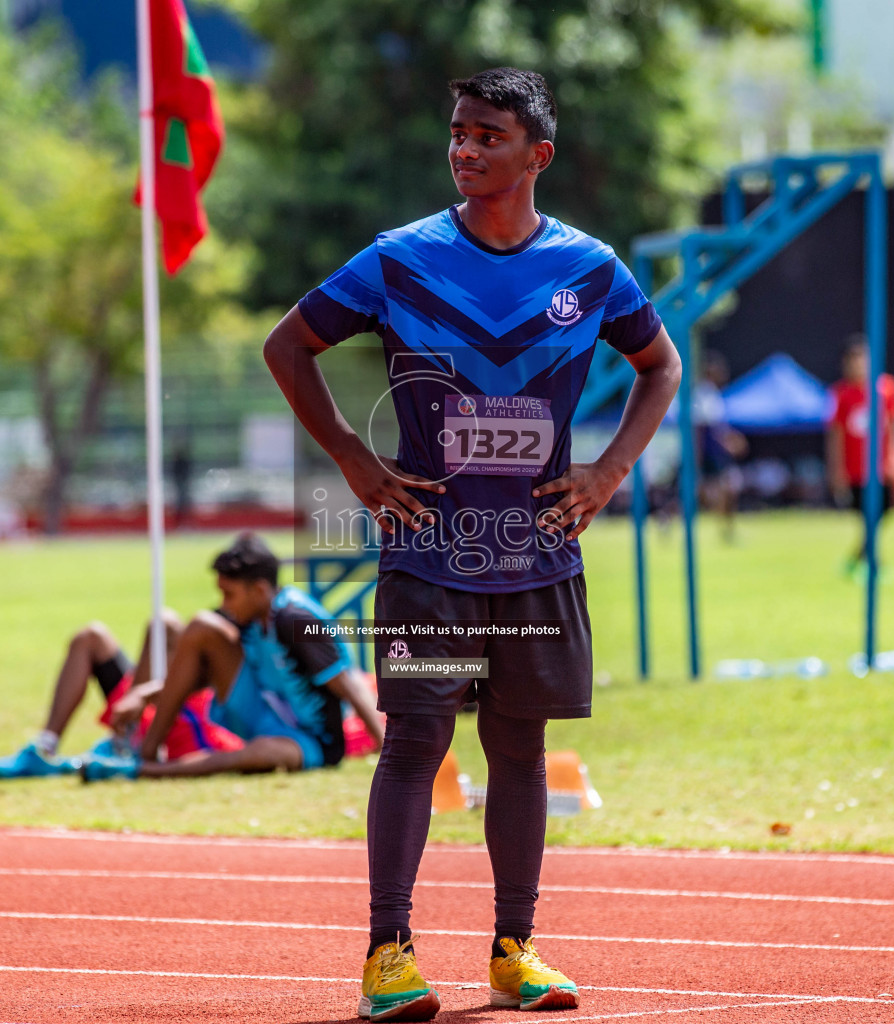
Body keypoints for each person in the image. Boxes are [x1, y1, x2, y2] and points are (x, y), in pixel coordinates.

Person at [263, 68, 680, 1021]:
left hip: (539, 553)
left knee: (520, 752)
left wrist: (608, 471)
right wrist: (356, 465)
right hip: (430, 555)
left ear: (538, 155)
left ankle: (514, 951)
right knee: (414, 740)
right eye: (458, 133)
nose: (465, 149)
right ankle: (388, 957)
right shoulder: (399, 258)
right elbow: (287, 346)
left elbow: (660, 365)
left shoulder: (588, 268)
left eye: (488, 135)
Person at [0, 533, 382, 780]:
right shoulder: (246, 617)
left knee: (264, 755)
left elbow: (349, 685)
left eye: (230, 593)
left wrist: (388, 751)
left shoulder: (297, 618)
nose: (224, 602)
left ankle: (148, 768)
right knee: (201, 627)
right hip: (259, 712)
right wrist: (147, 693)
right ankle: (139, 751)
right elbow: (203, 676)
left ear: (261, 590)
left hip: (310, 740)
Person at [825, 336, 894, 576]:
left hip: (881, 466)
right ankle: (873, 561)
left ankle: (860, 557)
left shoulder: (887, 388)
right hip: (854, 468)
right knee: (865, 515)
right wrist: (836, 469)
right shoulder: (841, 393)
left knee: (883, 513)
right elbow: (835, 434)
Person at [692, 350, 747, 542]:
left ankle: (727, 531)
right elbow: (703, 429)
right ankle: (727, 531)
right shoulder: (704, 393)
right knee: (720, 491)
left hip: (714, 453)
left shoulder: (712, 393)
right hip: (711, 454)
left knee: (723, 491)